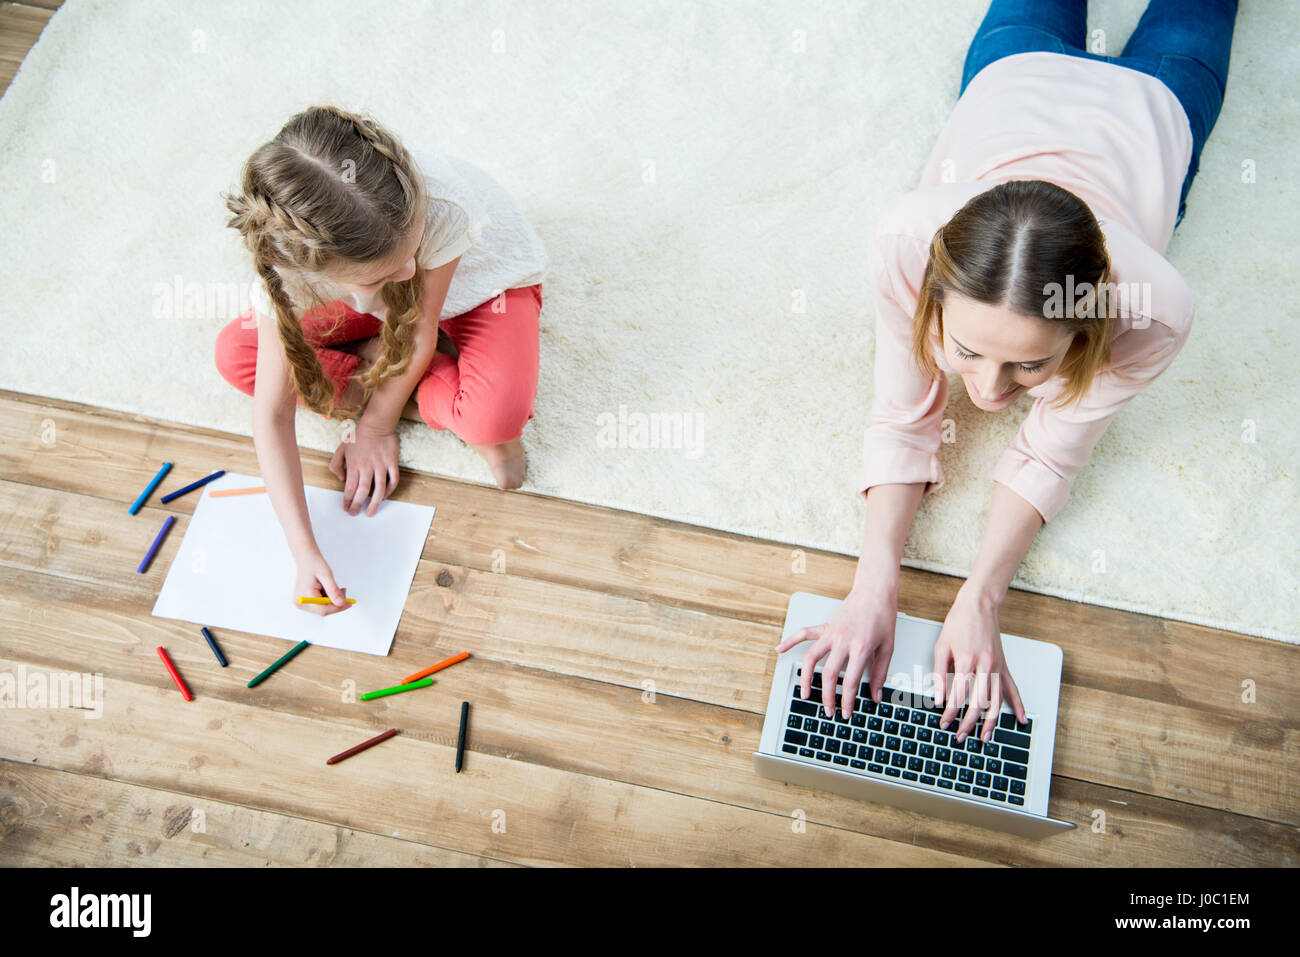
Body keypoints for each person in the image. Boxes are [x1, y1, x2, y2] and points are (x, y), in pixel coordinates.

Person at [776, 0, 1238, 742]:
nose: (987, 396)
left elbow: (1051, 449)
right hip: (1018, 70)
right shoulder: (904, 240)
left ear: (1084, 324)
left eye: (1028, 365)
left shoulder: (1152, 312)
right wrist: (872, 584)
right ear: (936, 292)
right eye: (965, 352)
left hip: (1160, 100)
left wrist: (983, 597)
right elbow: (904, 416)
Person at [215, 105, 547, 616]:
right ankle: (414, 377)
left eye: (410, 251)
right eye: (382, 274)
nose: (410, 267)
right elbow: (272, 414)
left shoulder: (438, 210)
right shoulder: (289, 271)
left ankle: (407, 378)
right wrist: (303, 551)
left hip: (476, 290)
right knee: (237, 354)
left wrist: (374, 428)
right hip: (376, 310)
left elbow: (418, 326)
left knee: (495, 418)